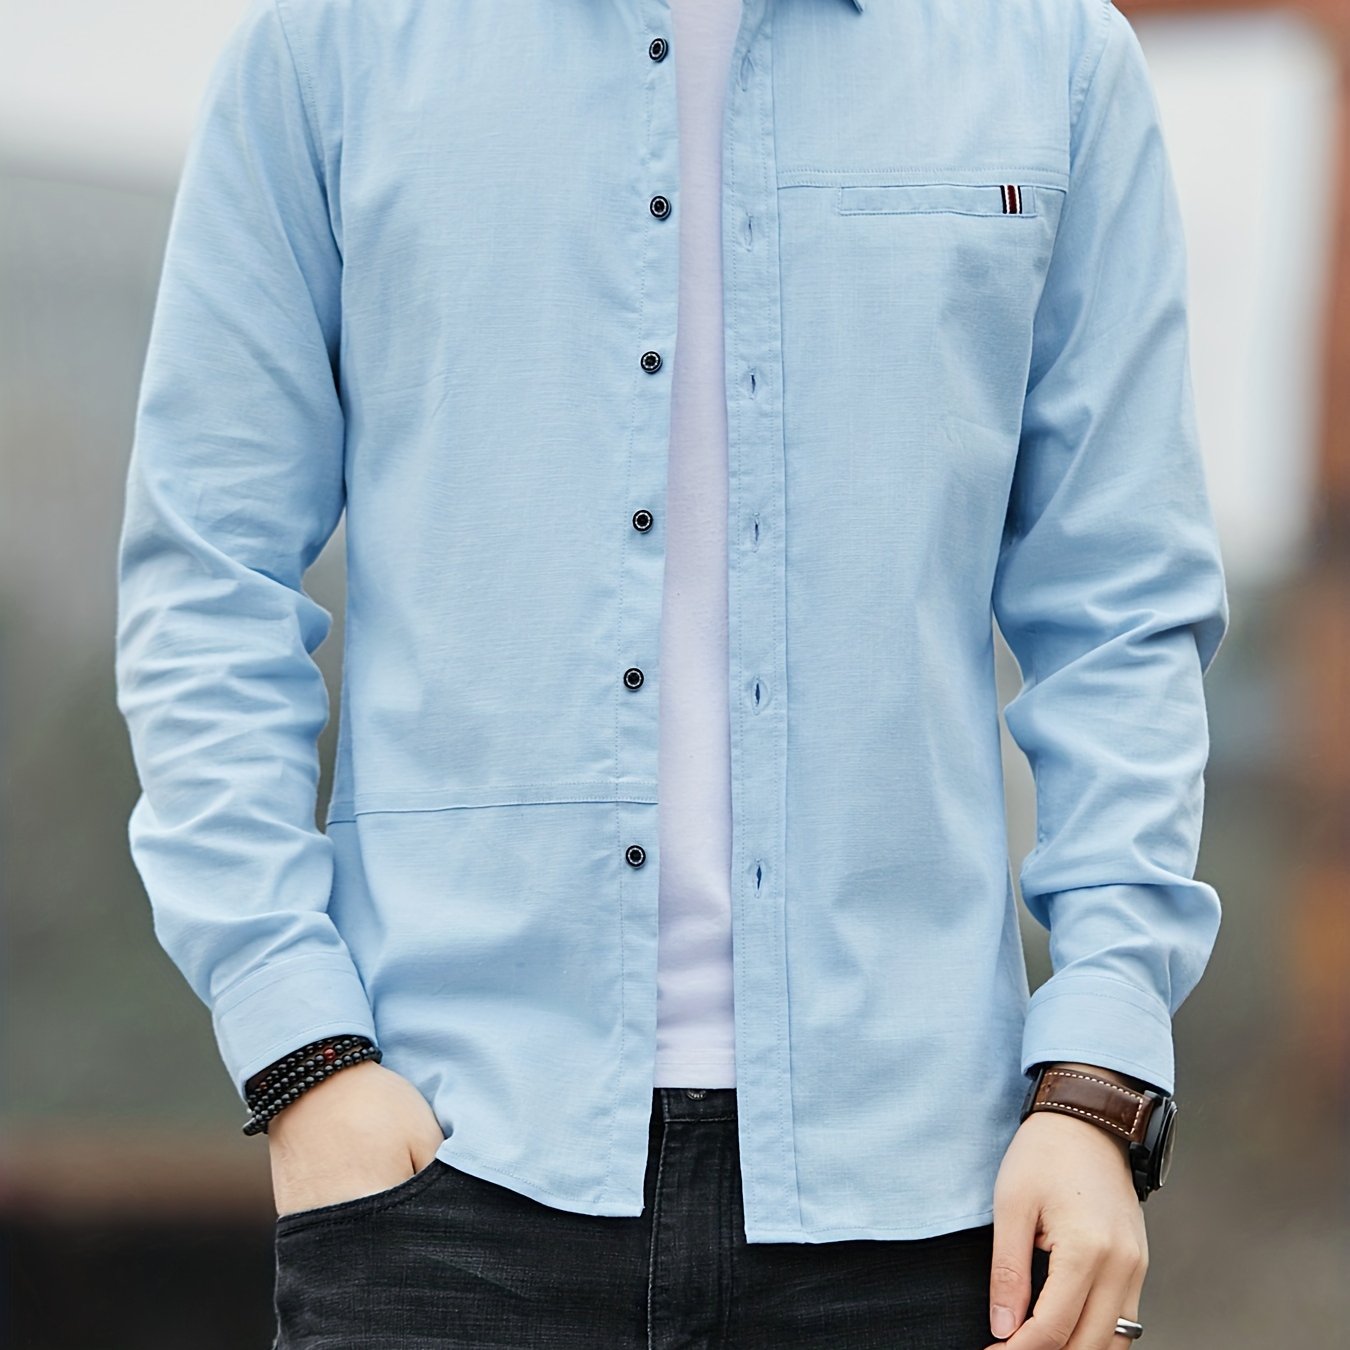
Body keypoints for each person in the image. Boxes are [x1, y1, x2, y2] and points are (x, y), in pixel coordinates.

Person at [113, 0, 1229, 1346]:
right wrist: (302, 1052)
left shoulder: (1049, 56)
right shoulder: (326, 45)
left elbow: (1120, 614)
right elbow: (208, 580)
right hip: (447, 1178)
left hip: (929, 1202)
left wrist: (1098, 1082)